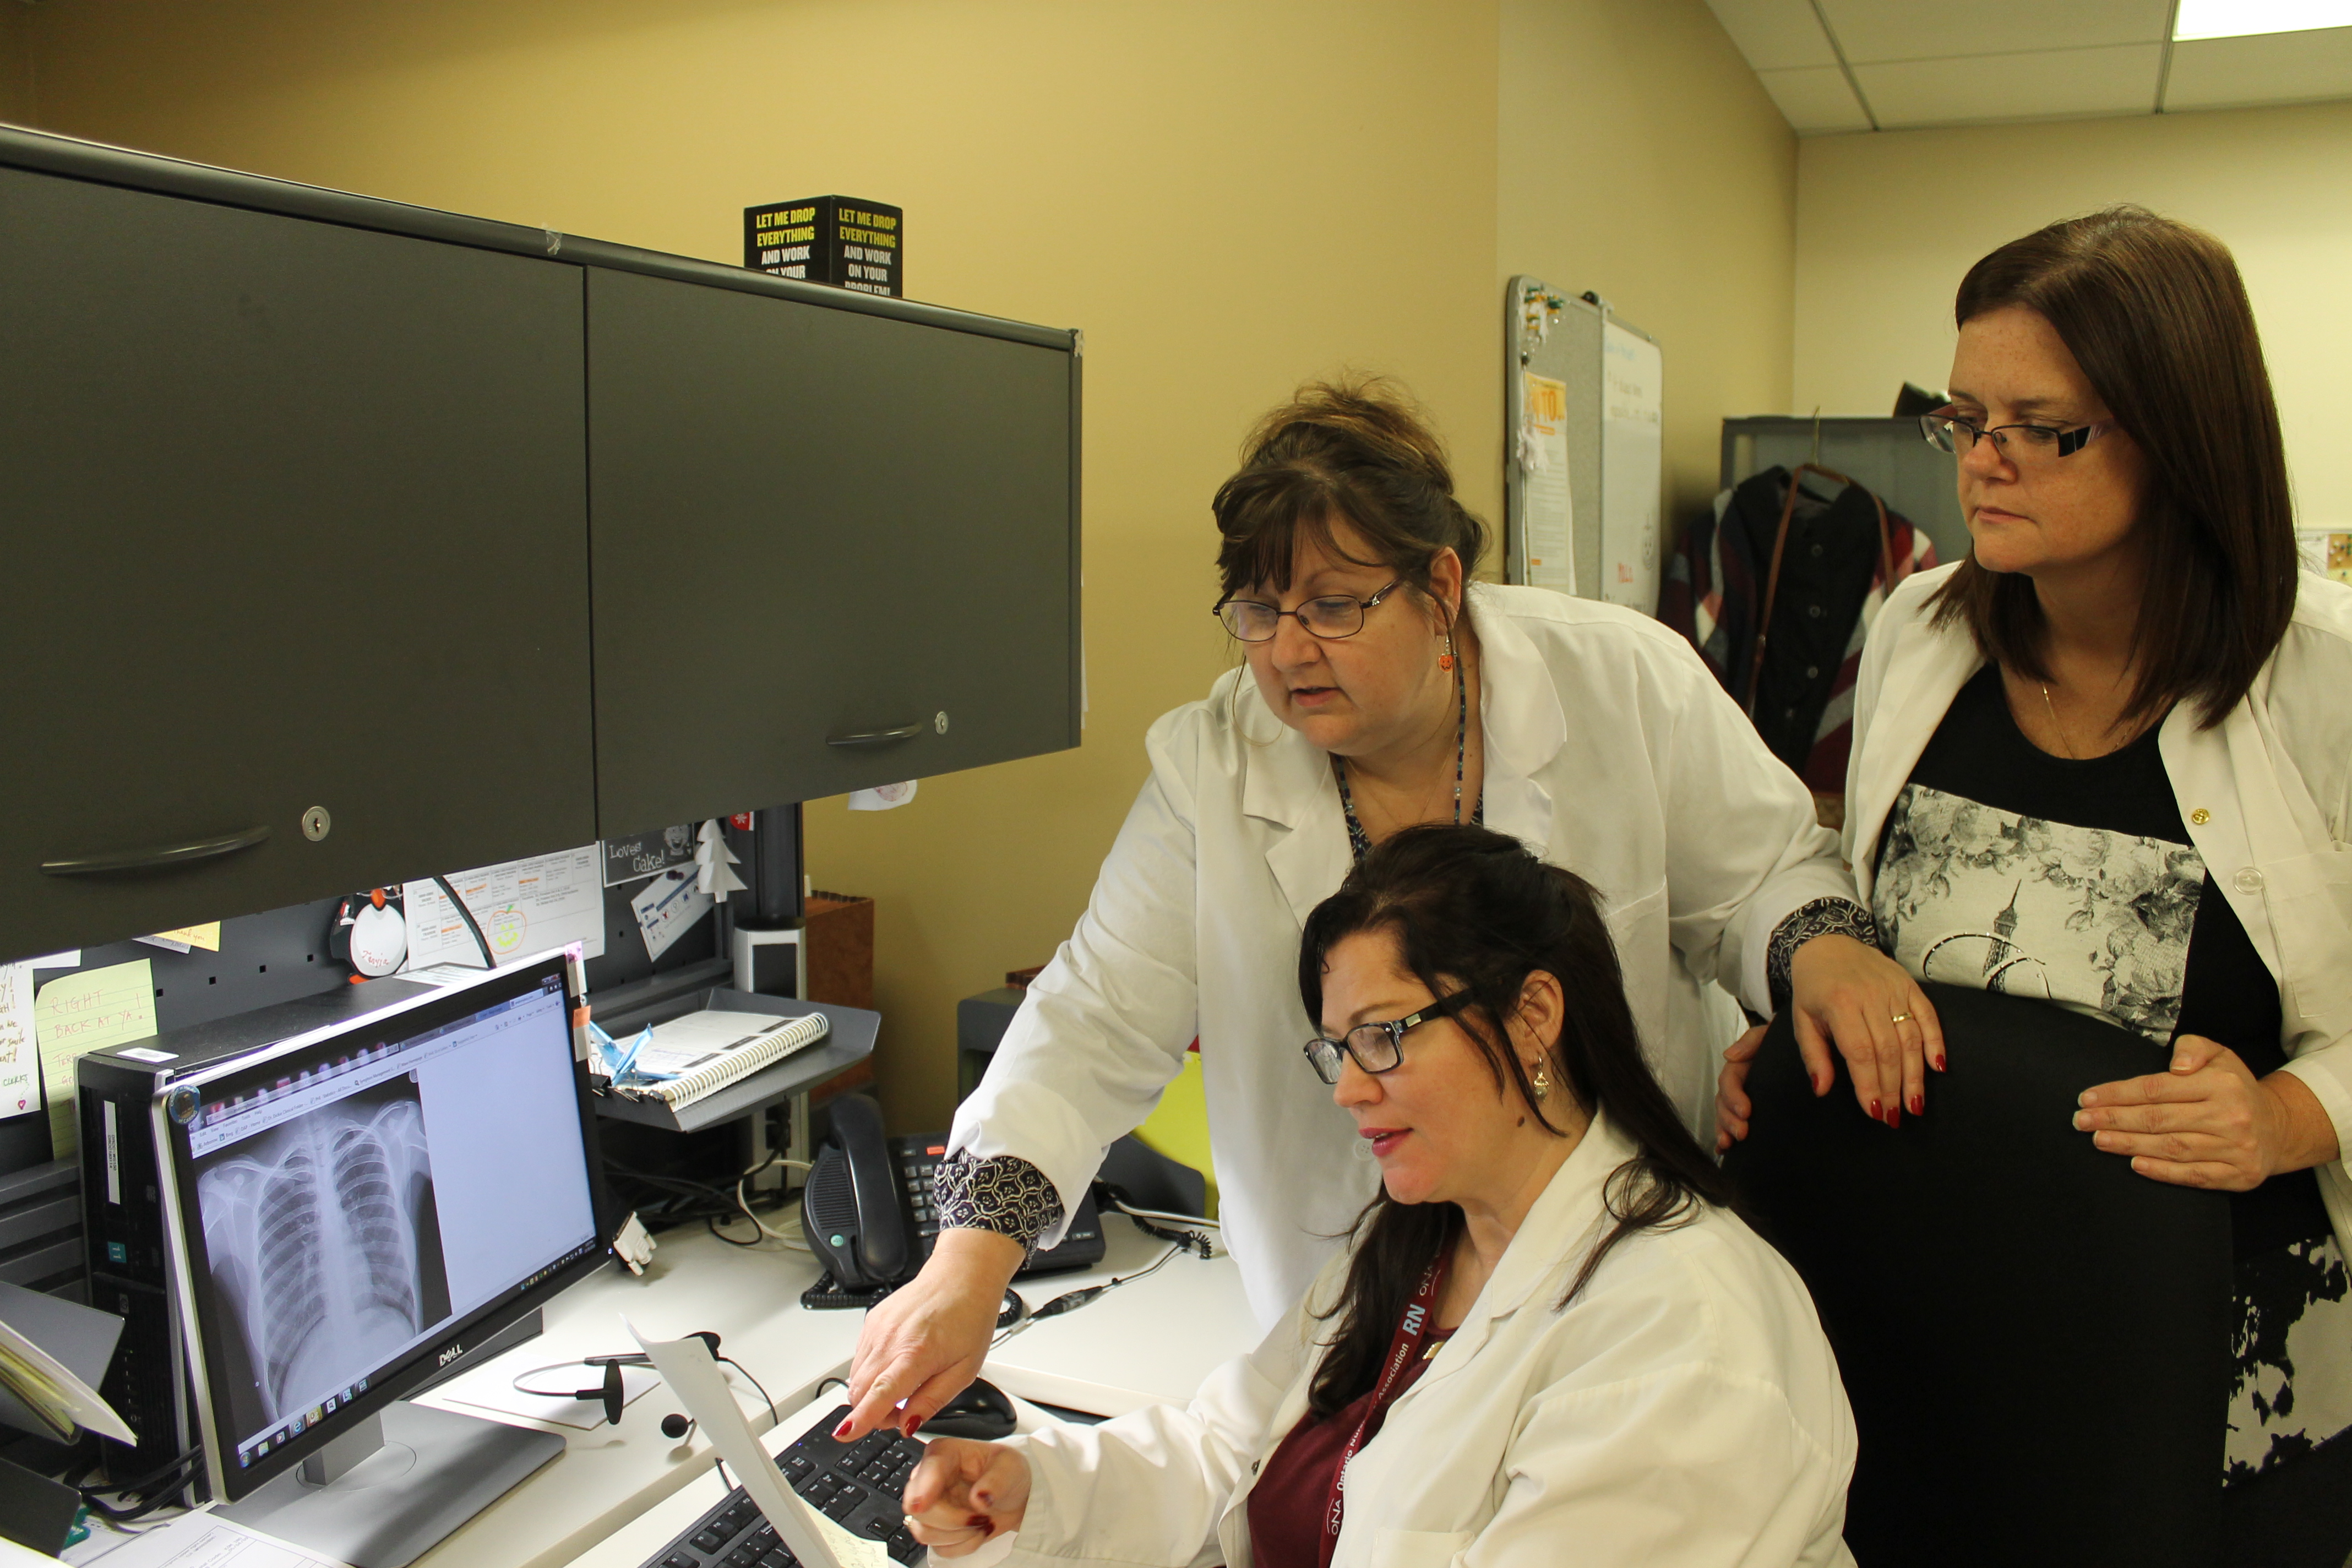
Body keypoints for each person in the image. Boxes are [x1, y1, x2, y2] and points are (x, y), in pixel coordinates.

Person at [842, 377, 1927, 1440]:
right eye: (1258, 609)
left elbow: (1768, 871)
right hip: (1349, 1295)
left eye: (1333, 605)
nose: (1284, 649)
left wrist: (1821, 942)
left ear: (1441, 585)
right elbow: (1092, 1021)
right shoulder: (1212, 766)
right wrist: (967, 1264)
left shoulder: (1621, 680)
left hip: (1615, 1262)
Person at [1716, 206, 2352, 1555]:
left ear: (2179, 434)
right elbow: (1851, 885)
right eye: (1965, 419)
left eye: (2041, 427)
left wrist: (2293, 1113)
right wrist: (1810, 989)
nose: (1983, 462)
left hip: (2212, 1366)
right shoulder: (1923, 628)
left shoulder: (2321, 681)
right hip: (1919, 1313)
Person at [903, 826, 1856, 1567]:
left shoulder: (1684, 1334)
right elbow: (1227, 1457)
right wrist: (1030, 1490)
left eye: (1385, 1036)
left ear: (1534, 1017)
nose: (1350, 1088)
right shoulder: (1418, 1243)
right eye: (1338, 1049)